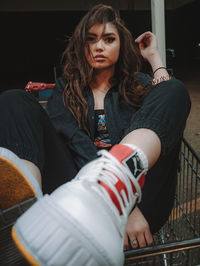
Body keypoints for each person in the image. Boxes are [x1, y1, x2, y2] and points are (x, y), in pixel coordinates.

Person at [0, 3, 190, 265]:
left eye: (108, 39)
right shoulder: (67, 89)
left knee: (174, 90)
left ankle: (118, 182)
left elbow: (169, 102)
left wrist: (154, 57)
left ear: (121, 45)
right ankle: (24, 207)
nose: (98, 46)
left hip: (140, 200)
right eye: (91, 40)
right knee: (14, 100)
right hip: (75, 192)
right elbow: (74, 141)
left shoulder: (138, 85)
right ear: (82, 46)